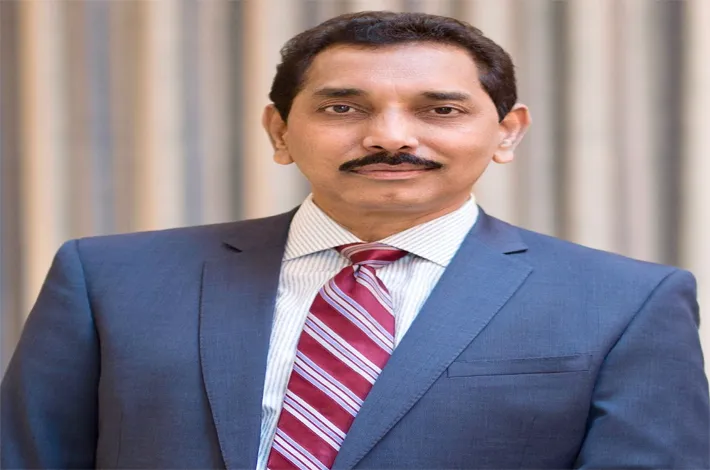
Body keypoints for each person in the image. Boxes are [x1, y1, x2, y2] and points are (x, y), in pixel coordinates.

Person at [2, 10, 708, 470]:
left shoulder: (627, 302)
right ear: (280, 130)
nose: (389, 136)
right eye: (343, 107)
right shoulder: (108, 279)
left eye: (441, 109)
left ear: (507, 133)